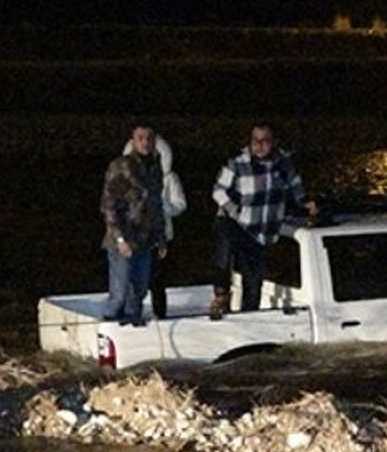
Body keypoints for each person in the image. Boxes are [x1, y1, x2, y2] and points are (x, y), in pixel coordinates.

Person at [210, 122, 317, 319]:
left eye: (265, 141)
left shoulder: (284, 164)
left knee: (254, 281)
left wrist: (306, 204)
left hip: (261, 232)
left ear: (273, 142)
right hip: (236, 223)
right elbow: (218, 191)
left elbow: (296, 188)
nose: (259, 145)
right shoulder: (237, 163)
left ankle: (249, 318)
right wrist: (235, 211)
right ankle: (221, 295)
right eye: (255, 141)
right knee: (223, 245)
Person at [101, 124, 180, 325]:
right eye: (141, 138)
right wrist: (120, 238)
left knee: (140, 289)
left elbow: (156, 205)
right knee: (120, 291)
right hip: (123, 239)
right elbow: (109, 205)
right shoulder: (121, 165)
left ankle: (132, 327)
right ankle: (109, 328)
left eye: (149, 138)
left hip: (145, 240)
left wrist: (161, 238)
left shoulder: (155, 167)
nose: (145, 142)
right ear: (133, 141)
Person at [121, 132, 187, 319]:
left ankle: (161, 315)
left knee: (158, 281)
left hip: (160, 237)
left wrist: (162, 207)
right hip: (134, 236)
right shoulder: (126, 178)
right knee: (133, 280)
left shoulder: (169, 178)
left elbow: (181, 204)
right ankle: (132, 316)